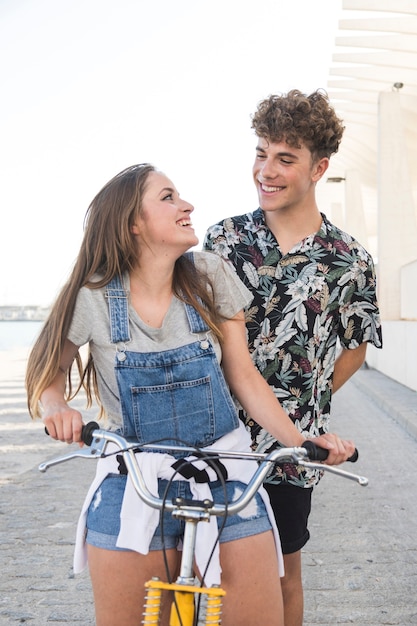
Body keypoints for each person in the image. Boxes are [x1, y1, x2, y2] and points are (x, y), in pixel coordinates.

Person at [26, 163, 355, 626]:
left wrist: (299, 442)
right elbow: (48, 374)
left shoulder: (208, 274)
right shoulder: (94, 298)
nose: (187, 205)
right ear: (132, 223)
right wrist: (56, 407)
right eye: (168, 197)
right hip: (135, 478)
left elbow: (244, 377)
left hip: (227, 474)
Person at [203, 89, 383, 626]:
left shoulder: (350, 260)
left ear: (319, 167)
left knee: (283, 575)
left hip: (291, 445)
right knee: (206, 569)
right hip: (214, 435)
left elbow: (355, 347)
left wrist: (309, 397)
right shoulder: (224, 238)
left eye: (285, 158)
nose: (267, 169)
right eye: (262, 153)